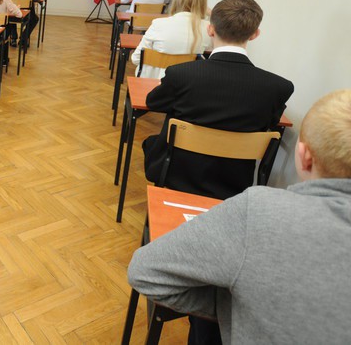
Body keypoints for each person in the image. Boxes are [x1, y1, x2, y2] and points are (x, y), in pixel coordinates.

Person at [128, 89, 351, 344]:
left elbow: (144, 271)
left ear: (304, 156)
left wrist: (238, 305)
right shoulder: (276, 88)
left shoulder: (259, 211)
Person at [142, 0, 294, 200]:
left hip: (177, 171)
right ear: (255, 34)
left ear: (210, 29)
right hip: (234, 182)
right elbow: (270, 122)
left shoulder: (182, 75)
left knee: (151, 142)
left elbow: (152, 102)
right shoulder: (279, 87)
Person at [130, 0, 212, 79]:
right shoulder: (208, 28)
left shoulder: (158, 24)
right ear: (204, 4)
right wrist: (211, 14)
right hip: (187, 84)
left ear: (178, 0)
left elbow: (136, 59)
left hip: (154, 82)